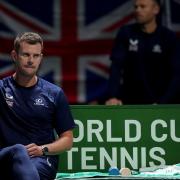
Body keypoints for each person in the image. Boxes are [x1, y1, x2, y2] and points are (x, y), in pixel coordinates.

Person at [0, 32, 76, 180]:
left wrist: (42, 149)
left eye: (36, 56)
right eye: (26, 55)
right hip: (5, 157)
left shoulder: (54, 93)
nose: (31, 60)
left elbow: (67, 140)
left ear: (41, 58)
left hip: (40, 160)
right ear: (15, 56)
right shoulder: (1, 89)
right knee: (18, 150)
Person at [105, 0, 180, 105]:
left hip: (159, 104)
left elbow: (177, 74)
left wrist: (163, 103)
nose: (138, 10)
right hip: (130, 103)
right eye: (136, 7)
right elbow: (116, 67)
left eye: (142, 6)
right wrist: (113, 96)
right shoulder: (126, 33)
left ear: (156, 9)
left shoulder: (168, 37)